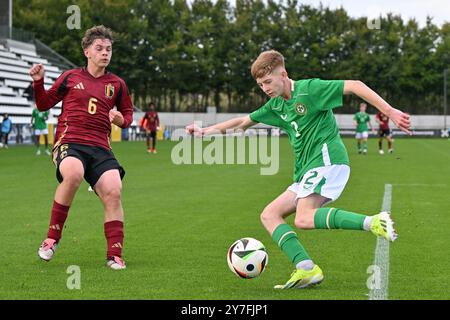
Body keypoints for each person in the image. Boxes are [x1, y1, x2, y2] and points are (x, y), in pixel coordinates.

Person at [186, 50, 411, 289]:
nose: (265, 88)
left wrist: (391, 112)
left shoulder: (310, 89)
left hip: (327, 162)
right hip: (307, 170)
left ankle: (374, 222)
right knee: (269, 215)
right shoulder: (275, 106)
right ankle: (306, 268)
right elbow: (243, 122)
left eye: (268, 81)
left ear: (283, 74)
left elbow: (355, 85)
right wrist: (205, 131)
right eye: (261, 84)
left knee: (304, 217)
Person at [29, 25, 133, 270]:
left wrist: (121, 120)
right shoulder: (70, 77)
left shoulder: (117, 84)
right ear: (87, 51)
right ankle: (51, 240)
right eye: (99, 48)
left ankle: (114, 255)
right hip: (69, 142)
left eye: (108, 49)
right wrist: (38, 82)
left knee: (114, 189)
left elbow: (127, 117)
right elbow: (44, 104)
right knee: (73, 173)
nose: (105, 53)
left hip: (100, 148)